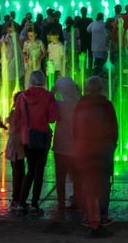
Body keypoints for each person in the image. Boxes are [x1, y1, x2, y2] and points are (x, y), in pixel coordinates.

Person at [73, 76, 118, 238]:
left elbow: (75, 127)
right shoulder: (106, 105)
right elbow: (113, 128)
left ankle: (90, 217)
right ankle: (101, 218)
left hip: (85, 150)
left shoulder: (81, 105)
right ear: (100, 89)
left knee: (88, 185)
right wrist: (112, 145)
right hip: (103, 150)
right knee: (103, 184)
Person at [13, 70, 57, 215]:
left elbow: (16, 118)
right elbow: (52, 119)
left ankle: (20, 203)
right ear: (44, 81)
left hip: (27, 138)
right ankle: (34, 204)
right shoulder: (49, 96)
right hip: (42, 137)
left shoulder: (22, 97)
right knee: (39, 171)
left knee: (30, 170)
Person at [51, 77, 81, 213]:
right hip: (76, 146)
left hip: (60, 147)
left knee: (60, 176)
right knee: (76, 175)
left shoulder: (58, 105)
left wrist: (53, 89)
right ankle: (77, 200)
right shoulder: (80, 104)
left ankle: (61, 202)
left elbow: (48, 100)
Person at [5, 92, 27, 211]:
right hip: (16, 149)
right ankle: (16, 199)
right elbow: (15, 133)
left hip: (16, 148)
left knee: (18, 173)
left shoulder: (15, 113)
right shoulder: (17, 114)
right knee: (19, 174)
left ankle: (17, 198)